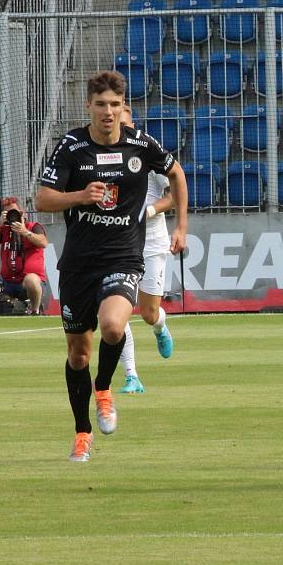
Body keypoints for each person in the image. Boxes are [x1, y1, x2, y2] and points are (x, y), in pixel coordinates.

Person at [35, 70, 188, 462]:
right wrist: (81, 195)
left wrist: (183, 226)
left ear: (124, 108)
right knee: (78, 355)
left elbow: (176, 173)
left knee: (114, 326)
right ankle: (81, 432)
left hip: (123, 256)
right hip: (78, 264)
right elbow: (43, 200)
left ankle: (104, 389)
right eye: (101, 104)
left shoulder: (140, 143)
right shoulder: (71, 146)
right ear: (89, 106)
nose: (108, 112)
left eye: (115, 105)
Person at [115, 104, 182, 394]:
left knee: (148, 312)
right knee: (118, 310)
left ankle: (159, 326)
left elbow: (173, 195)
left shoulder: (146, 152)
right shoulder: (101, 156)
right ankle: (132, 375)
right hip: (117, 242)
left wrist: (152, 210)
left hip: (152, 242)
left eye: (125, 123)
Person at [0, 196, 48, 315]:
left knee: (31, 279)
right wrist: (0, 225)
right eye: (8, 213)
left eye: (15, 212)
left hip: (27, 283)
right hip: (6, 282)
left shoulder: (33, 227)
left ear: (23, 213)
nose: (12, 216)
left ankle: (35, 310)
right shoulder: (4, 230)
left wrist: (25, 232)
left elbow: (43, 242)